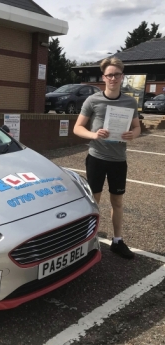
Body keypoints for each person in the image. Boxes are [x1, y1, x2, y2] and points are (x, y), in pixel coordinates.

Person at [73, 57, 141, 259]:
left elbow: (137, 127)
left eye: (117, 74)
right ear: (104, 77)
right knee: (94, 201)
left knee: (117, 201)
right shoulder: (92, 100)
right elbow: (77, 128)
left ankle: (117, 241)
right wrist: (94, 135)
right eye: (109, 75)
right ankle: (89, 240)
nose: (113, 78)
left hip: (118, 160)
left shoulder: (130, 102)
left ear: (122, 77)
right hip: (97, 158)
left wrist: (133, 134)